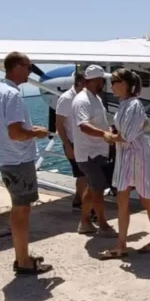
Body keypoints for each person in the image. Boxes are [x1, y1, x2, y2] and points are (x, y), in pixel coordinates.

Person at [0, 51, 53, 276]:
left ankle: (22, 256)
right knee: (22, 210)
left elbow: (10, 128)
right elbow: (16, 133)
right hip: (18, 160)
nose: (31, 71)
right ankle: (24, 262)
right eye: (29, 67)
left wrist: (30, 130)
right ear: (17, 67)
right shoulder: (13, 95)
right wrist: (36, 133)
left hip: (6, 157)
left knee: (19, 208)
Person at [99, 68, 150, 258]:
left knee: (145, 197)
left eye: (114, 82)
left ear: (124, 84)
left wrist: (109, 137)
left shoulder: (133, 105)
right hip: (126, 155)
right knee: (123, 198)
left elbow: (126, 135)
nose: (111, 86)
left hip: (135, 156)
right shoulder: (126, 104)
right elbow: (141, 125)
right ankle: (122, 244)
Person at [72, 64, 118, 236]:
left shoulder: (95, 98)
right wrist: (104, 134)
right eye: (102, 80)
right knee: (98, 188)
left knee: (93, 187)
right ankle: (103, 225)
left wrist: (109, 130)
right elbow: (83, 125)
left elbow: (97, 122)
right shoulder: (82, 100)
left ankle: (85, 222)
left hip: (97, 151)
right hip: (88, 154)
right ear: (95, 80)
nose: (105, 83)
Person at [55, 71, 88, 210]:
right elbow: (59, 124)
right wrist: (67, 146)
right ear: (80, 83)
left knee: (85, 174)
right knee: (83, 174)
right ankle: (84, 204)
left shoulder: (85, 96)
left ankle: (79, 200)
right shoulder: (66, 99)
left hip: (86, 142)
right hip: (73, 143)